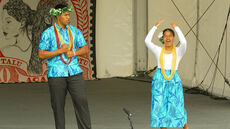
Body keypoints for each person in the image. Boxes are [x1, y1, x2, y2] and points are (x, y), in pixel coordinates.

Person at [38, 3, 91, 129]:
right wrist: (59, 51)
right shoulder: (48, 33)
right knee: (58, 107)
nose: (68, 17)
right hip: (56, 74)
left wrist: (73, 52)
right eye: (65, 15)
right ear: (58, 16)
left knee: (82, 102)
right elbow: (41, 54)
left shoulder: (75, 31)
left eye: (69, 15)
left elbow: (85, 48)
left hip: (74, 72)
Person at [145, 20, 188, 129]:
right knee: (160, 105)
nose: (167, 38)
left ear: (173, 38)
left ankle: (185, 126)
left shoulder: (179, 51)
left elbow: (184, 42)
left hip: (173, 79)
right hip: (160, 79)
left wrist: (177, 28)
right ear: (162, 39)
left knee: (176, 104)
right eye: (165, 36)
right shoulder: (158, 50)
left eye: (170, 36)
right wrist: (155, 27)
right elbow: (147, 41)